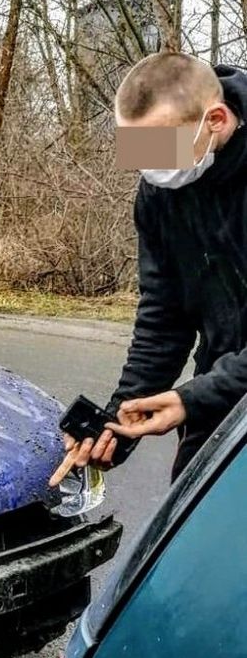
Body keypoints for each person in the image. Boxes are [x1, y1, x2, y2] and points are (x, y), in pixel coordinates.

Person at [66, 53, 247, 481]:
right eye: (140, 148)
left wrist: (195, 397)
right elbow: (163, 319)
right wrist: (118, 422)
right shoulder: (160, 196)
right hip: (219, 390)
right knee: (191, 536)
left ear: (216, 120)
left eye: (163, 146)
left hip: (218, 390)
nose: (152, 166)